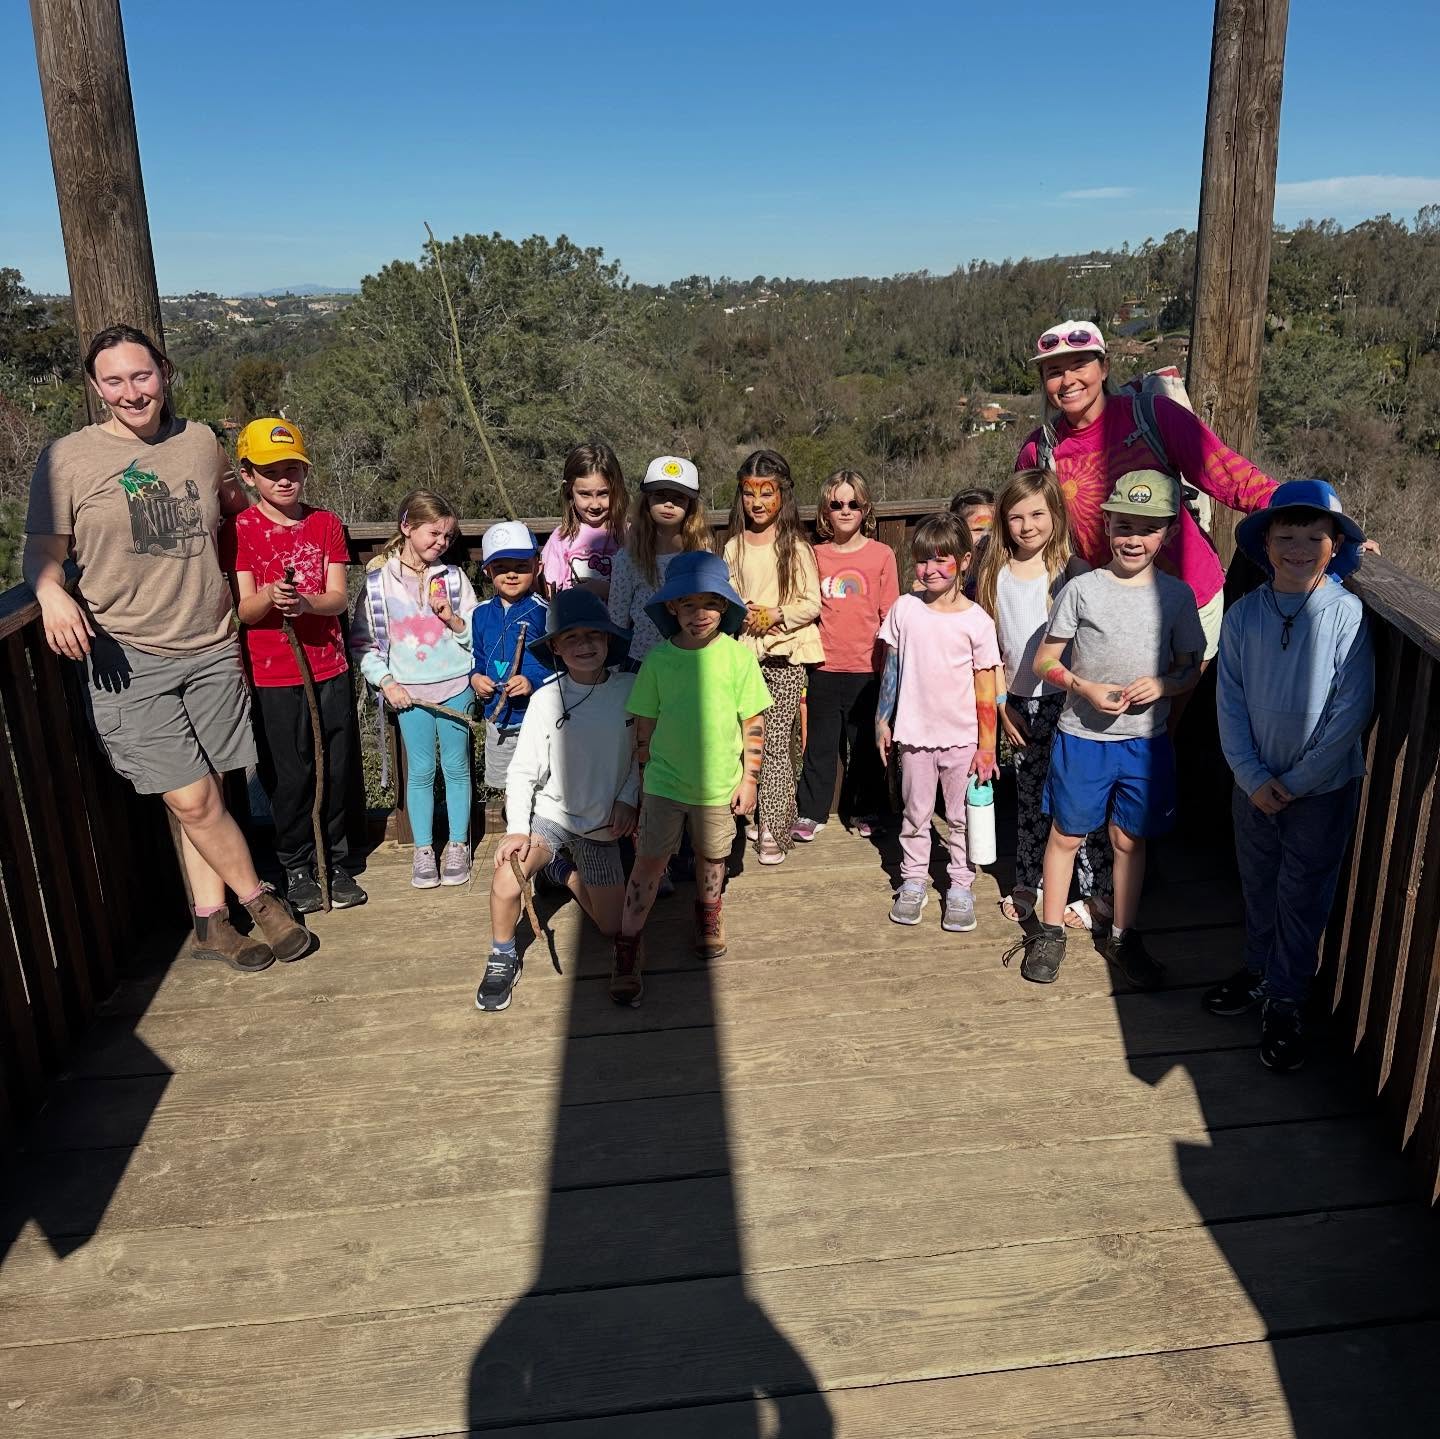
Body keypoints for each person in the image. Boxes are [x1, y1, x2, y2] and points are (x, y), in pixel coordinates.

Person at [23, 324, 308, 973]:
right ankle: (259, 900)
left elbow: (232, 501)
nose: (131, 391)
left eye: (142, 375)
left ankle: (210, 924)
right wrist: (51, 593)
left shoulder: (200, 441)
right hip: (129, 654)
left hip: (210, 642)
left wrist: (282, 525)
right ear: (96, 387)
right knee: (189, 798)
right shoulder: (67, 459)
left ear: (166, 372)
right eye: (114, 380)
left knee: (207, 792)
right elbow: (43, 550)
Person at [1010, 472, 1205, 988]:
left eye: (1147, 528)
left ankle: (1122, 934)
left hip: (1144, 743)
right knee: (1066, 834)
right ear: (1107, 526)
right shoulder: (1081, 590)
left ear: (1166, 533)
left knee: (1128, 839)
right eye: (1123, 526)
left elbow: (1192, 667)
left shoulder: (1178, 597)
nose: (1133, 539)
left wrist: (1164, 685)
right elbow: (1046, 660)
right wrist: (1082, 686)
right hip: (1082, 738)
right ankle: (1049, 932)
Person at [1208, 480, 1374, 1072]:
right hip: (1251, 784)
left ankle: (1286, 998)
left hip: (1321, 791)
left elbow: (1350, 709)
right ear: (1266, 544)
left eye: (1314, 537)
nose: (1299, 547)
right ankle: (1258, 970)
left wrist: (1298, 781)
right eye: (1287, 536)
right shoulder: (1245, 615)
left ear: (1335, 547)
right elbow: (1228, 699)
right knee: (1258, 881)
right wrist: (1252, 775)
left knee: (1303, 893)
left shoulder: (1347, 615)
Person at [1014, 322, 1276, 667]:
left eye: (1080, 366)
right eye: (1054, 371)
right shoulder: (1040, 450)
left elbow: (1228, 475)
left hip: (1189, 593)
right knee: (1126, 715)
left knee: (1184, 714)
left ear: (1104, 367)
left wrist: (1313, 515)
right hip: (1109, 611)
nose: (1067, 381)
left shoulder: (1152, 416)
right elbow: (1021, 525)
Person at [612, 552, 772, 1007]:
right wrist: (643, 782)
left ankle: (708, 914)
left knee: (712, 855)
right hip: (663, 784)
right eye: (687, 604)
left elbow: (753, 721)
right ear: (671, 608)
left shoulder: (738, 658)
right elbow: (644, 728)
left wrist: (750, 781)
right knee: (648, 862)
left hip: (720, 785)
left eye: (710, 604)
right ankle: (627, 945)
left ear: (725, 608)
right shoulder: (658, 661)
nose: (699, 615)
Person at [221, 418, 366, 913]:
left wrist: (305, 603)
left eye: (293, 470)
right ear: (248, 474)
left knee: (337, 764)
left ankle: (338, 860)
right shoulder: (239, 530)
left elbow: (337, 596)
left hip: (329, 666)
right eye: (270, 470)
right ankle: (298, 863)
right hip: (273, 673)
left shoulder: (325, 524)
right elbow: (244, 610)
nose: (284, 479)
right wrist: (269, 596)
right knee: (290, 772)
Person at [481, 590, 640, 1014]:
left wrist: (627, 800)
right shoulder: (545, 698)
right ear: (554, 646)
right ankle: (501, 955)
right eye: (571, 638)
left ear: (609, 641)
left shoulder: (632, 689)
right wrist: (517, 829)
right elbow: (522, 771)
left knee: (611, 926)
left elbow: (644, 756)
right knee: (506, 880)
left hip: (603, 824)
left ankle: (562, 871)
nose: (585, 645)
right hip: (551, 816)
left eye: (595, 635)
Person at [973, 469, 1105, 928]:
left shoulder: (1073, 571)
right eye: (1015, 517)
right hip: (1020, 703)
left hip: (1070, 702)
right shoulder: (993, 573)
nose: (1027, 526)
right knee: (1030, 797)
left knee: (1078, 797)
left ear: (1056, 516)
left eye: (1037, 514)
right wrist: (1000, 702)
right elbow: (988, 645)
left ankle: (1094, 889)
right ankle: (1030, 879)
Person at [875, 513, 1000, 932]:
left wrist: (987, 746)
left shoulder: (977, 621)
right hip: (913, 736)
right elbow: (891, 667)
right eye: (922, 560)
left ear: (964, 561)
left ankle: (961, 886)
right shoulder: (904, 609)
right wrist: (882, 719)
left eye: (940, 560)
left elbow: (986, 689)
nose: (929, 570)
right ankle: (913, 880)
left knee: (962, 816)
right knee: (915, 813)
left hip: (963, 740)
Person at [351, 489, 480, 889]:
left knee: (457, 768)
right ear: (407, 527)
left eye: (447, 537)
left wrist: (453, 620)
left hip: (458, 686)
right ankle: (424, 850)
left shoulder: (455, 580)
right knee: (420, 771)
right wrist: (386, 682)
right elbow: (363, 643)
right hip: (409, 694)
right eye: (433, 533)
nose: (441, 543)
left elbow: (475, 635)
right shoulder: (377, 585)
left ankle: (458, 844)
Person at [723, 449, 822, 865]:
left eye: (767, 492)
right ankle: (741, 816)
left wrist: (777, 613)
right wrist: (740, 610)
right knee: (744, 743)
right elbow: (724, 599)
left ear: (783, 494)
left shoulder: (795, 547)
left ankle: (773, 827)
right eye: (750, 493)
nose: (758, 502)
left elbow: (811, 603)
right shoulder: (732, 547)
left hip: (784, 657)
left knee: (779, 745)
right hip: (745, 657)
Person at [793, 469, 898, 842]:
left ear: (865, 507)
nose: (845, 510)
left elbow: (890, 615)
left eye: (853, 503)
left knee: (867, 748)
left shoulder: (882, 555)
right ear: (825, 510)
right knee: (819, 746)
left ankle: (866, 809)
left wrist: (890, 669)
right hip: (822, 666)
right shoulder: (813, 555)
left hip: (868, 669)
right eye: (836, 504)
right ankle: (810, 812)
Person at [607, 455, 715, 665]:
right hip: (641, 662)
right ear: (646, 500)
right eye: (659, 496)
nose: (668, 504)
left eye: (679, 498)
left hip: (691, 661)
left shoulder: (703, 557)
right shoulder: (628, 558)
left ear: (691, 506)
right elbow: (617, 619)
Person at [469, 521, 552, 793]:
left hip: (536, 719)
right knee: (507, 786)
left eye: (521, 567)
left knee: (541, 782)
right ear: (487, 571)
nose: (512, 575)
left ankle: (539, 834)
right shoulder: (480, 614)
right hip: (499, 719)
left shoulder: (545, 612)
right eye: (501, 568)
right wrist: (476, 678)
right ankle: (513, 831)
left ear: (537, 566)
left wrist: (531, 682)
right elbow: (478, 658)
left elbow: (559, 665)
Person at [539, 441, 627, 602]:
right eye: (585, 494)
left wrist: (607, 591)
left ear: (617, 489)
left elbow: (639, 590)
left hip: (617, 625)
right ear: (569, 491)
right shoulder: (561, 538)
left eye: (603, 493)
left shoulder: (629, 537)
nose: (595, 504)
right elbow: (548, 592)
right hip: (572, 623)